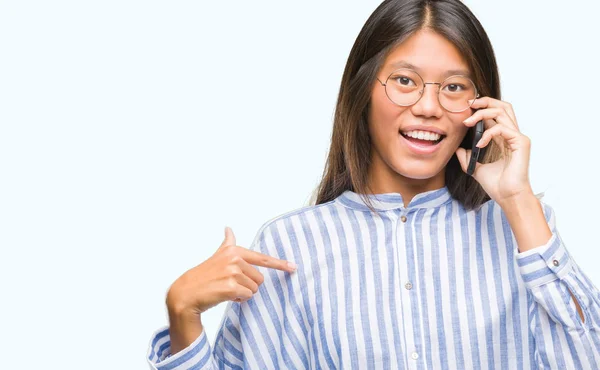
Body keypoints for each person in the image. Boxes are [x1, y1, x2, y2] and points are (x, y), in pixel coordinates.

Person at [147, 0, 600, 369]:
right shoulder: (290, 247)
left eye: (455, 87)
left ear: (479, 108)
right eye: (405, 81)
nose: (428, 106)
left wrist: (518, 200)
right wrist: (182, 315)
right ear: (363, 90)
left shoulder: (522, 235)